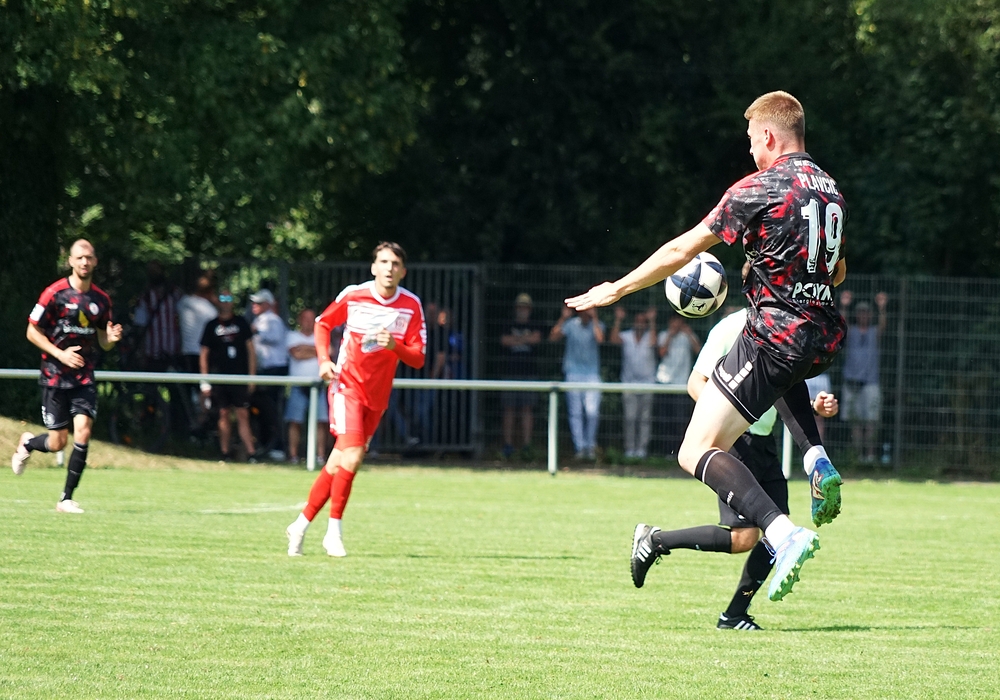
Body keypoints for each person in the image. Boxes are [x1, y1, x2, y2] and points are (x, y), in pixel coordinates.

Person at [566, 91, 846, 601]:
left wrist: (617, 289)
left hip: (773, 335)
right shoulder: (830, 192)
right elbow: (838, 270)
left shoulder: (759, 187)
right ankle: (816, 459)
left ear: (768, 136)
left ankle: (784, 535)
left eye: (751, 142)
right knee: (778, 382)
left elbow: (682, 248)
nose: (750, 152)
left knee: (695, 449)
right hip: (820, 336)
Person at [632, 305, 840, 630]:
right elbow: (696, 382)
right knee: (746, 537)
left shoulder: (779, 329)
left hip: (765, 442)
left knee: (776, 533)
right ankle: (656, 541)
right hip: (737, 442)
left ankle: (733, 615)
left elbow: (779, 388)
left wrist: (814, 407)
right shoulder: (731, 328)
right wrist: (727, 420)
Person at [285, 242, 426, 558]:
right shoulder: (355, 295)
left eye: (395, 264)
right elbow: (323, 323)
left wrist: (395, 346)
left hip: (377, 397)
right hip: (346, 387)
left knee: (338, 462)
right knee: (352, 456)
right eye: (383, 262)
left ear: (403, 271)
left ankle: (300, 524)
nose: (389, 268)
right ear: (374, 267)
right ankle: (333, 533)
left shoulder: (411, 305)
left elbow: (418, 358)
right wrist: (324, 360)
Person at [11, 239, 123, 513]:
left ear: (95, 262)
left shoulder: (101, 300)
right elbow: (32, 331)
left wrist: (110, 339)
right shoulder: (54, 294)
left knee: (83, 431)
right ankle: (28, 443)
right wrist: (60, 355)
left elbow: (103, 341)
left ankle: (66, 499)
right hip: (55, 375)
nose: (85, 262)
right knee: (57, 442)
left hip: (83, 377)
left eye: (89, 257)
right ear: (71, 261)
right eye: (80, 257)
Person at [199, 290, 259, 462]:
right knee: (223, 413)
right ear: (217, 301)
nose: (225, 302)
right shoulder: (211, 325)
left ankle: (251, 453)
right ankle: (224, 453)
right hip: (219, 378)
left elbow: (251, 351)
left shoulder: (241, 322)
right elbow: (204, 353)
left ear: (233, 302)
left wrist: (252, 376)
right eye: (222, 298)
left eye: (228, 298)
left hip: (239, 377)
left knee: (242, 413)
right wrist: (205, 381)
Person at [550, 305, 605, 460]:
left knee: (592, 412)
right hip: (573, 373)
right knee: (575, 412)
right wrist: (563, 318)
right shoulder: (570, 324)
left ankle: (590, 446)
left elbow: (600, 339)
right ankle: (579, 447)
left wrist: (594, 318)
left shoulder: (598, 324)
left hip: (592, 374)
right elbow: (553, 337)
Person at [839, 290, 888, 463]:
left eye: (866, 312)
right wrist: (844, 306)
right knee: (856, 422)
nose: (863, 315)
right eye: (860, 312)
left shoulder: (874, 332)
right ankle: (858, 456)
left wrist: (882, 308)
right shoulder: (851, 332)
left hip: (871, 382)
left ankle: (870, 456)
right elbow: (842, 324)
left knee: (871, 421)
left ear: (870, 315)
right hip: (851, 382)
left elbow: (883, 325)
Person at [500, 293, 545, 460]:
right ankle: (508, 445)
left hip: (529, 373)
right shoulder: (508, 324)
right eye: (520, 307)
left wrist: (516, 339)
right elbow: (504, 340)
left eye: (525, 307)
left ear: (529, 309)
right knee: (509, 409)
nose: (522, 310)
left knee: (527, 409)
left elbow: (536, 339)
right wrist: (525, 339)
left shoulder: (535, 324)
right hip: (510, 372)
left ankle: (527, 446)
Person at [609, 306, 658, 459]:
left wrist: (652, 321)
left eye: (643, 322)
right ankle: (630, 449)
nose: (640, 324)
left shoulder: (650, 335)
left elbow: (654, 343)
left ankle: (642, 450)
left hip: (648, 384)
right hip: (628, 383)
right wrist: (618, 320)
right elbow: (613, 340)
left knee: (645, 419)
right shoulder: (627, 336)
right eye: (638, 321)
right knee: (630, 419)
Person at [284, 308, 328, 465]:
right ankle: (294, 456)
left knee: (321, 422)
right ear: (299, 320)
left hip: (319, 385)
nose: (308, 322)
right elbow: (296, 354)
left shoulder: (321, 336)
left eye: (311, 319)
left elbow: (328, 351)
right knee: (295, 421)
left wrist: (305, 348)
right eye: (305, 319)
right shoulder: (292, 336)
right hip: (298, 385)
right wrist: (317, 350)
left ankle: (320, 456)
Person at [656, 314, 701, 457]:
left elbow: (698, 351)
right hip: (664, 382)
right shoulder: (663, 335)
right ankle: (665, 452)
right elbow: (661, 352)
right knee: (664, 420)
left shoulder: (687, 336)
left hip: (681, 384)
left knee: (680, 420)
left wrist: (690, 334)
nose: (676, 324)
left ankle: (678, 452)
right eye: (674, 321)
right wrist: (670, 335)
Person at [250, 288, 288, 457]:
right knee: (263, 409)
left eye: (258, 303)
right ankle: (266, 442)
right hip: (264, 370)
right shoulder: (259, 320)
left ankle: (277, 445)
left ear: (267, 304)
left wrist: (256, 331)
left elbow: (274, 337)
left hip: (274, 369)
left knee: (272, 408)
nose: (254, 305)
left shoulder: (273, 320)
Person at [178, 274, 218, 375]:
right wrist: (217, 303)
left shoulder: (183, 302)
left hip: (186, 351)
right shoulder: (210, 311)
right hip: (203, 352)